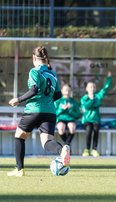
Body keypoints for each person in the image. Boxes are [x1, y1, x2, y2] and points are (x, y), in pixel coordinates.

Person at [7, 46, 70, 177]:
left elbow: (34, 90)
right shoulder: (52, 73)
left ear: (34, 58)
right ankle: (62, 149)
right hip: (50, 112)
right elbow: (58, 95)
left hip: (34, 110)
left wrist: (18, 100)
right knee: (47, 142)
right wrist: (46, 100)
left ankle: (20, 170)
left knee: (19, 136)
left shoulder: (34, 71)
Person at [80, 72, 112, 157]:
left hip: (96, 120)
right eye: (90, 87)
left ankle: (94, 149)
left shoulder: (98, 96)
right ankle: (87, 149)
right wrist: (91, 99)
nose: (92, 88)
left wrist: (109, 79)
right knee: (89, 129)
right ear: (86, 88)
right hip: (86, 120)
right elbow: (86, 106)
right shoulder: (84, 98)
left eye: (94, 87)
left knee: (96, 129)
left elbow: (105, 89)